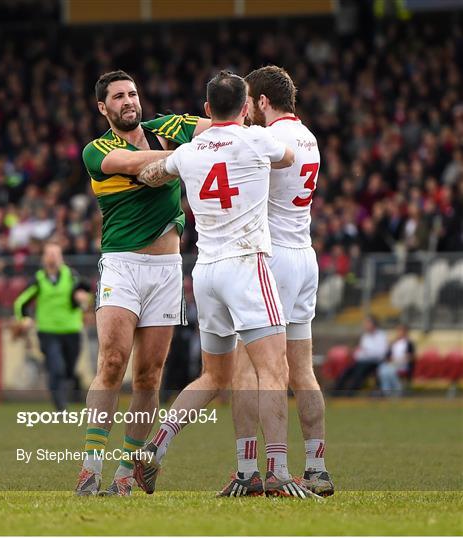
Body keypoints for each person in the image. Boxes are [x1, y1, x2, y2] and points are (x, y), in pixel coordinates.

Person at [135, 71, 316, 499]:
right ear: (247, 107)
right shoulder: (256, 140)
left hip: (206, 272)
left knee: (213, 376)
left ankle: (156, 446)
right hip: (246, 265)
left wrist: (161, 153)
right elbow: (290, 157)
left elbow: (154, 175)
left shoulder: (189, 150)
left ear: (207, 109)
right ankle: (277, 471)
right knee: (274, 370)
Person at [75, 70, 211, 496]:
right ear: (104, 108)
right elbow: (133, 164)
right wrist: (178, 160)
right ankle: (89, 468)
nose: (128, 101)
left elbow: (218, 126)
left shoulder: (164, 127)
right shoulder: (97, 150)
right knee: (112, 362)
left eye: (132, 93)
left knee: (150, 376)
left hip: (167, 269)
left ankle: (123, 474)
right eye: (118, 97)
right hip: (121, 265)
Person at [221, 66, 334, 497]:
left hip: (274, 259)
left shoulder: (270, 140)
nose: (247, 109)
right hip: (305, 255)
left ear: (262, 101)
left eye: (250, 101)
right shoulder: (310, 137)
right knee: (302, 370)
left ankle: (254, 469)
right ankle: (318, 468)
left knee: (249, 369)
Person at [13, 241, 91, 411]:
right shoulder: (38, 279)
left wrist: (83, 300)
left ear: (61, 257)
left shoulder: (72, 276)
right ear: (43, 258)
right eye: (49, 254)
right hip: (48, 332)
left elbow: (87, 297)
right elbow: (20, 303)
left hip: (72, 330)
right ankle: (60, 406)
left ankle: (71, 388)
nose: (53, 257)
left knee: (69, 370)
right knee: (57, 368)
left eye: (56, 254)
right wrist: (24, 318)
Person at [333, 315, 388, 396]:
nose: (365, 325)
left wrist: (366, 352)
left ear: (373, 324)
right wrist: (356, 354)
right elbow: (360, 351)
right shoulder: (365, 336)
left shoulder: (381, 336)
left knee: (359, 372)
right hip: (361, 361)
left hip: (374, 362)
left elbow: (380, 353)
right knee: (346, 370)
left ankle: (351, 394)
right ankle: (336, 392)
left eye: (367, 323)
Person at [377, 324, 415, 397]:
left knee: (390, 370)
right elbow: (387, 355)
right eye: (399, 331)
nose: (400, 332)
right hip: (392, 363)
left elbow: (411, 356)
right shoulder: (394, 343)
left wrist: (401, 359)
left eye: (402, 331)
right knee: (382, 370)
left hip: (402, 363)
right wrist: (390, 359)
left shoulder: (409, 343)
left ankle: (397, 390)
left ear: (406, 332)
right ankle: (386, 392)